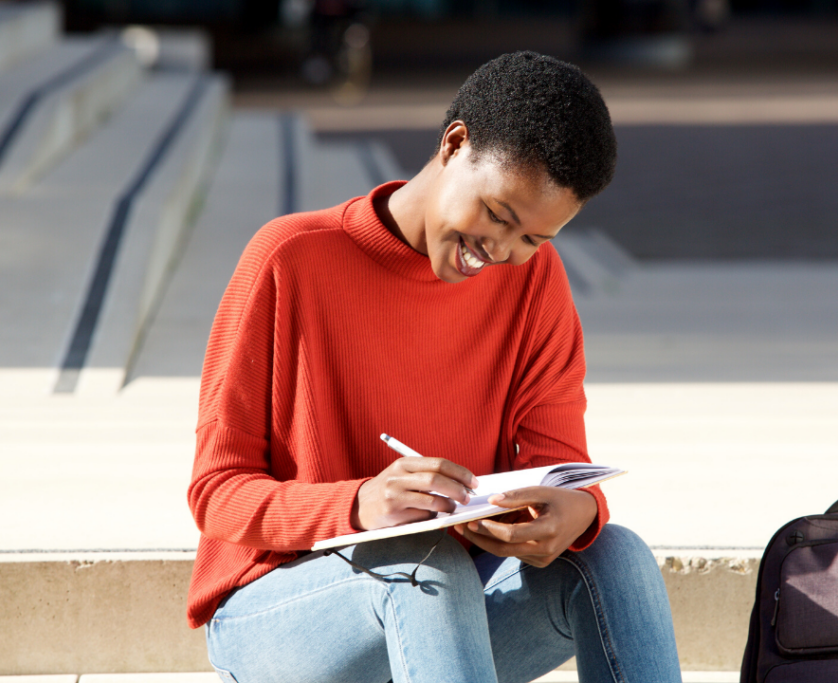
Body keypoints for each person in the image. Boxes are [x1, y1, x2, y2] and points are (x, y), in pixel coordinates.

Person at [187, 51, 682, 683]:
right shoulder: (289, 259)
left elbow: (559, 463)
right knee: (427, 563)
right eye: (499, 215)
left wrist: (579, 510)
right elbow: (216, 493)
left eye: (533, 239)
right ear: (455, 144)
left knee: (615, 558)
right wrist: (362, 504)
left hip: (449, 623)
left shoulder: (533, 285)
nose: (501, 250)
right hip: (283, 617)